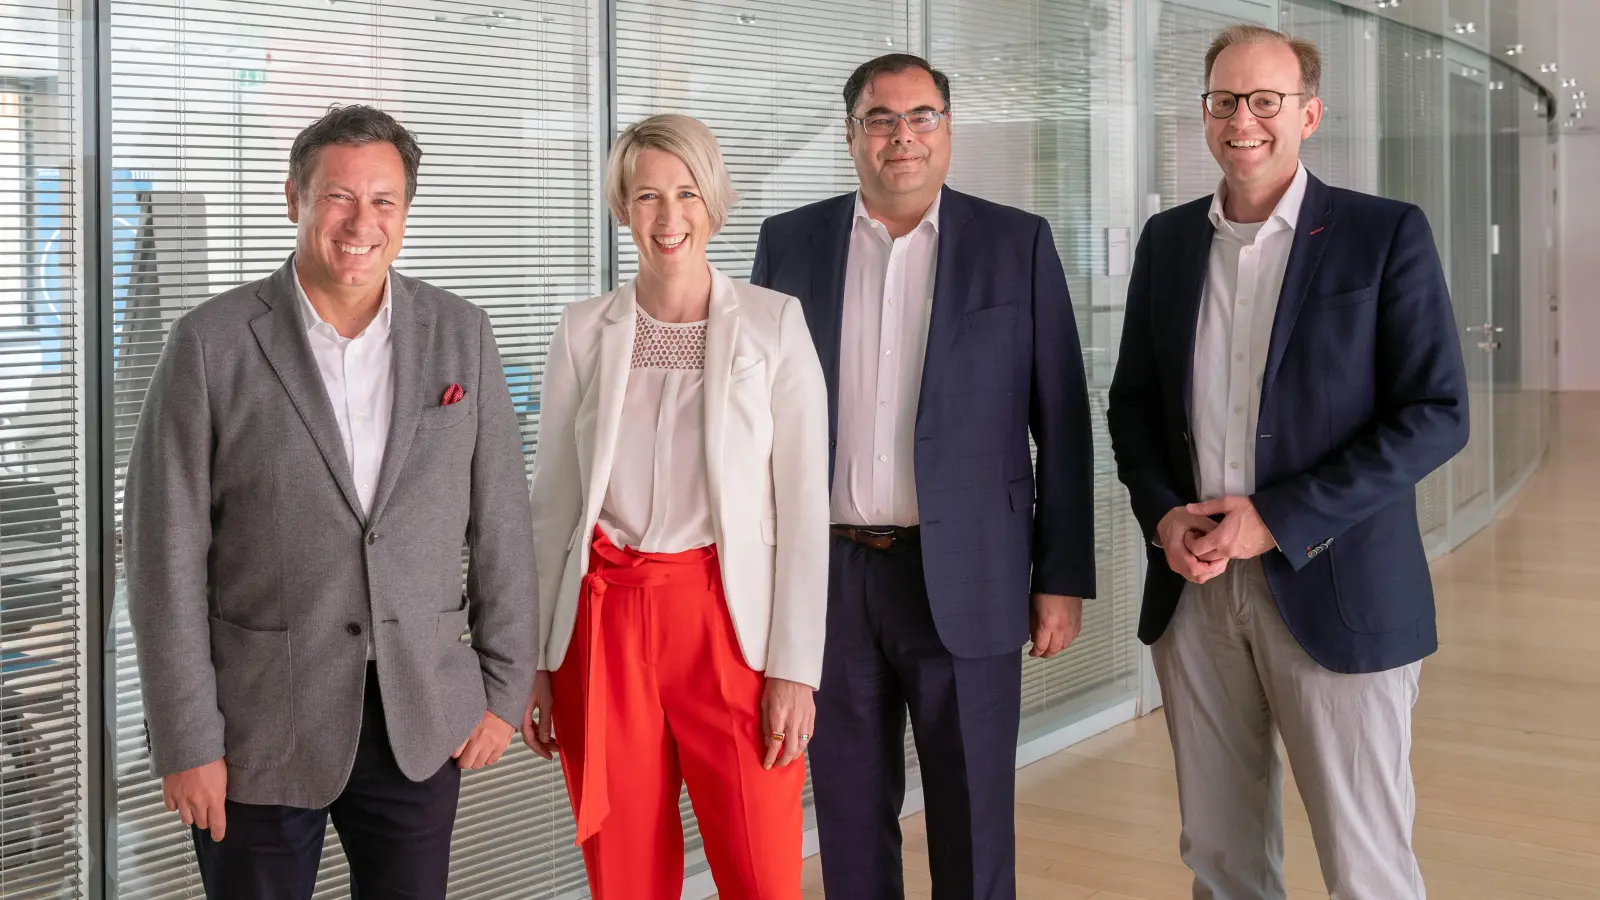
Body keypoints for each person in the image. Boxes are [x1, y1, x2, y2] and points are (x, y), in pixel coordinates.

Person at [123, 104, 536, 899]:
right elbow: (161, 560)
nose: (361, 222)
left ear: (405, 211)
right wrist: (186, 739)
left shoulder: (462, 333)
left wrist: (503, 690)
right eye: (339, 196)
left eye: (383, 200)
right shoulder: (210, 344)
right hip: (257, 726)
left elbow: (503, 528)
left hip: (421, 715)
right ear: (294, 200)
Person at [1106, 25, 1468, 899]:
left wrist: (1277, 518)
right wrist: (1162, 514)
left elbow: (1437, 414)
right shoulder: (1168, 242)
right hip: (1195, 593)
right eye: (1225, 100)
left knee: (1365, 864)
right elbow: (1134, 406)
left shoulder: (1383, 233)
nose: (1244, 120)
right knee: (1222, 860)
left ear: (1308, 114)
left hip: (1338, 584)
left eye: (1266, 101)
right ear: (1204, 113)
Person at [750, 53, 1097, 900]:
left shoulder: (1016, 242)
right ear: (851, 136)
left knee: (972, 819)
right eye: (880, 119)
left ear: (948, 129)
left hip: (970, 574)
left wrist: (1060, 577)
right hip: (829, 580)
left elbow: (1062, 420)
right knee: (847, 816)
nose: (901, 136)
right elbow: (752, 421)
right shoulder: (789, 242)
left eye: (921, 116)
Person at [522, 113, 829, 900]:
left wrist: (795, 670)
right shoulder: (581, 331)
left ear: (712, 201)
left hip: (730, 628)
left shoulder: (774, 323)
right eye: (648, 195)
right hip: (602, 628)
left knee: (762, 873)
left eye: (686, 193)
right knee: (624, 877)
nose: (669, 216)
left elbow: (802, 511)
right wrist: (534, 662)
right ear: (623, 207)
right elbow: (552, 507)